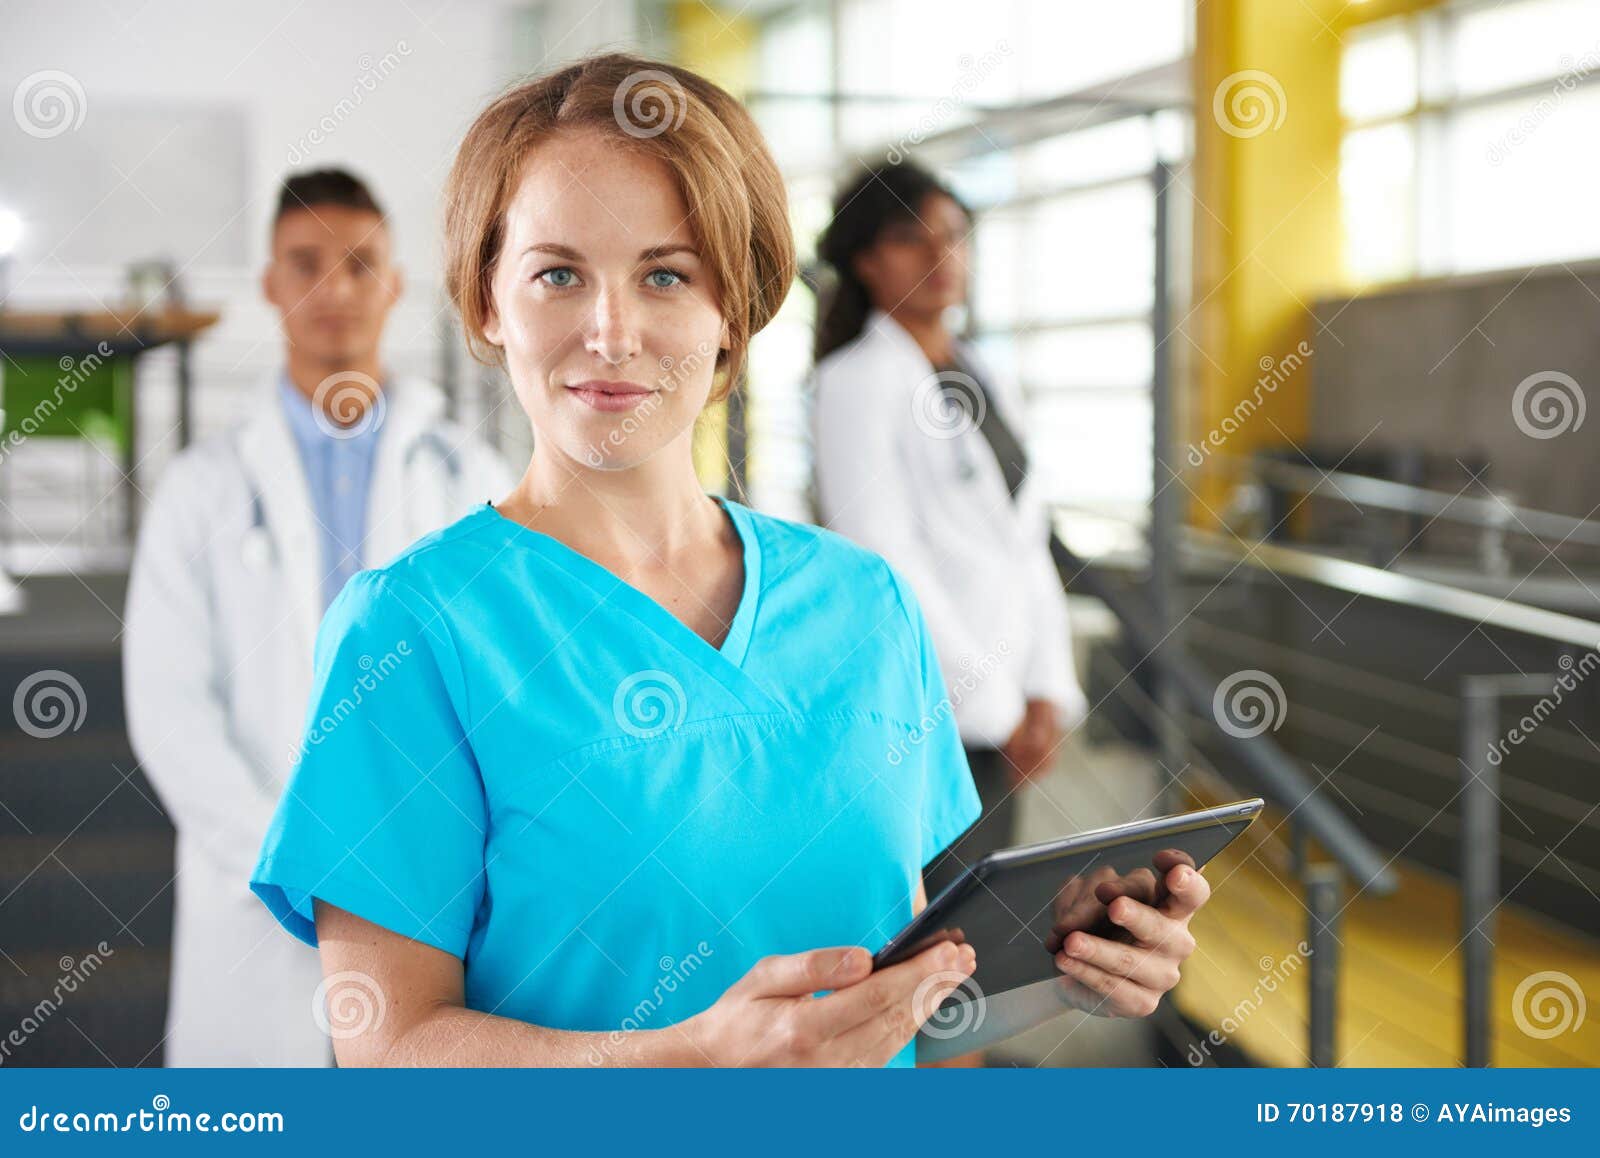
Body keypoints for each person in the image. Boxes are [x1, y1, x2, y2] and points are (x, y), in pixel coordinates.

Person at [248, 53, 1210, 1068]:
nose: (611, 332)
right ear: (487, 300)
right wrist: (683, 1061)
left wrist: (1069, 970)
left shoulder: (865, 605)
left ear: (732, 316)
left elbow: (912, 1023)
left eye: (666, 274)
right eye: (557, 274)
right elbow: (389, 1050)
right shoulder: (414, 630)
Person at [123, 169, 513, 1066]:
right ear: (269, 284)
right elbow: (171, 711)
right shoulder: (201, 488)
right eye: (306, 263)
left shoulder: (472, 476)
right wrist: (297, 859)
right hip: (254, 892)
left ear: (395, 284)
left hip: (438, 886)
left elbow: (505, 686)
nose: (333, 289)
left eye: (359, 264)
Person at [811, 159, 1088, 905]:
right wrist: (990, 697)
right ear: (865, 260)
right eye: (912, 239)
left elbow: (1024, 541)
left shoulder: (984, 373)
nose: (942, 258)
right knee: (933, 932)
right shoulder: (854, 382)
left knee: (983, 927)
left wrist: (1044, 692)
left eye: (955, 237)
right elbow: (881, 557)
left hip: (1003, 717)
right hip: (932, 711)